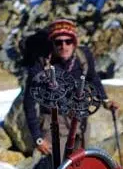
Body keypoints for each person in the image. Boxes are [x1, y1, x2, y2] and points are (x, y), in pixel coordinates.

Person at [23, 18, 117, 158]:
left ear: (75, 43)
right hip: (54, 124)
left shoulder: (83, 57)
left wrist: (105, 100)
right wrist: (38, 138)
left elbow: (93, 78)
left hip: (81, 121)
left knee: (80, 163)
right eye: (58, 42)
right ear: (52, 43)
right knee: (56, 166)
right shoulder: (40, 66)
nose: (64, 46)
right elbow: (29, 103)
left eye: (68, 41)